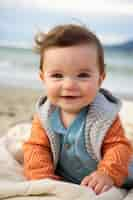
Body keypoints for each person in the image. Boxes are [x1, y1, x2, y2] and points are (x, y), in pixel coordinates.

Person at [23, 24, 132, 195]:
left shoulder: (103, 115)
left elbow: (118, 147)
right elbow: (36, 147)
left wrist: (107, 174)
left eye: (82, 75)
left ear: (100, 79)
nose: (69, 85)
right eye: (57, 75)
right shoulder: (46, 114)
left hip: (117, 174)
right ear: (43, 78)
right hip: (69, 178)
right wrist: (42, 176)